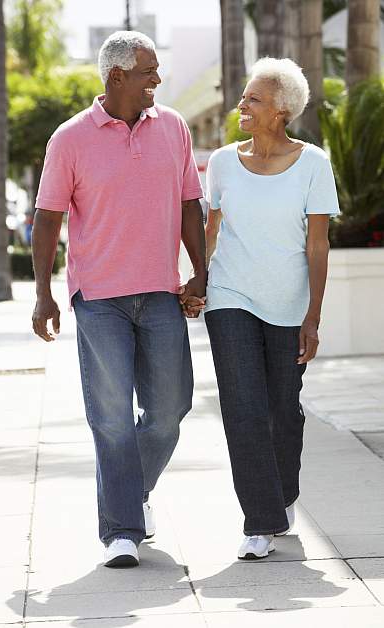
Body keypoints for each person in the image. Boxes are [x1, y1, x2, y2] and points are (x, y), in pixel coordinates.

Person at [31, 31, 206, 568]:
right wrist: (43, 294)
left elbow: (189, 204)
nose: (157, 78)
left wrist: (201, 273)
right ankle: (122, 529)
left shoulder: (173, 127)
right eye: (148, 71)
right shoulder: (70, 139)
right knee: (110, 415)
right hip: (99, 296)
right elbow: (47, 218)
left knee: (170, 410)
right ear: (116, 77)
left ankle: (130, 494)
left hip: (160, 292)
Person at [199, 57, 340, 560]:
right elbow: (210, 229)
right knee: (243, 407)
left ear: (280, 112)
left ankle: (281, 497)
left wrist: (313, 317)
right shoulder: (219, 162)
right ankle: (259, 520)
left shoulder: (314, 164)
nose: (241, 104)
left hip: (287, 303)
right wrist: (198, 279)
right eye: (245, 96)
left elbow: (318, 246)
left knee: (284, 410)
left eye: (252, 99)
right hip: (230, 296)